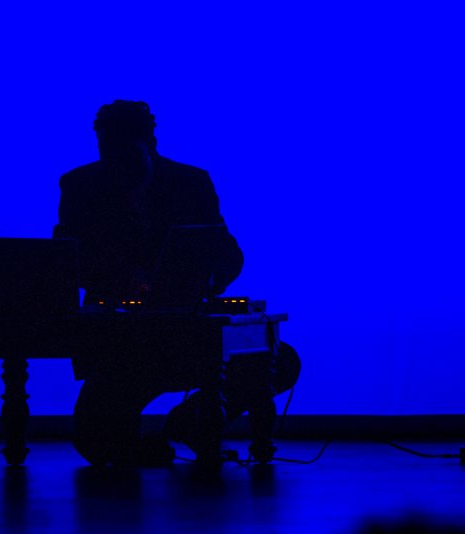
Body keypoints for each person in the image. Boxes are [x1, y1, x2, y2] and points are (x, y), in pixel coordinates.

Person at [54, 100, 300, 466]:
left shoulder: (191, 183)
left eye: (121, 149)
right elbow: (66, 259)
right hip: (117, 335)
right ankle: (182, 425)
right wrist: (116, 284)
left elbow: (229, 255)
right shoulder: (80, 185)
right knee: (94, 442)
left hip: (185, 326)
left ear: (150, 141)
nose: (113, 159)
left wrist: (205, 283)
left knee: (281, 362)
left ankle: (189, 422)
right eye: (106, 150)